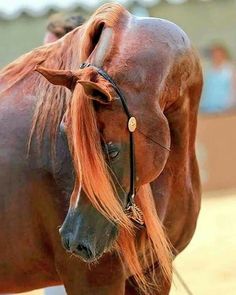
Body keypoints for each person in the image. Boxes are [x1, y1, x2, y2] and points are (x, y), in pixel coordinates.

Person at [200, 43, 236, 113]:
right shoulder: (209, 71)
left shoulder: (230, 70)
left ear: (224, 55)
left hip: (225, 108)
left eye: (218, 54)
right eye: (214, 54)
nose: (216, 56)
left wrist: (231, 105)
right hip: (208, 107)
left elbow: (233, 89)